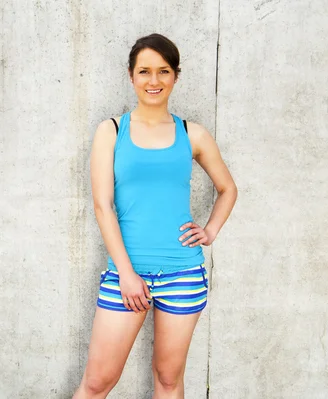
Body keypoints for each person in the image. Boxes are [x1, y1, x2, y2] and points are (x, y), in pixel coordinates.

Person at [73, 33, 238, 399]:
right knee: (98, 383)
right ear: (131, 76)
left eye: (163, 71)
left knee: (167, 380)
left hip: (183, 274)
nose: (153, 81)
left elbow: (228, 189)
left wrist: (209, 231)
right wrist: (127, 274)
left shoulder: (191, 134)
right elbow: (103, 207)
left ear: (175, 77)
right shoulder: (112, 131)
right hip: (125, 275)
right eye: (144, 71)